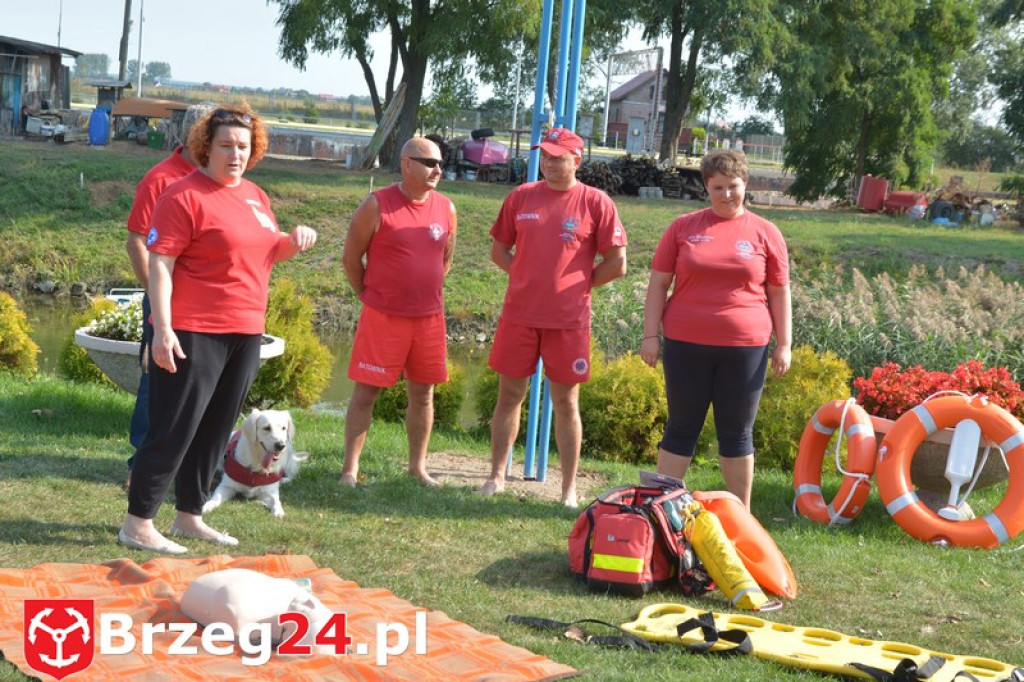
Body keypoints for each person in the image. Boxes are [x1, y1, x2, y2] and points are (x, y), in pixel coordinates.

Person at [117, 105, 317, 553]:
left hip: (244, 331)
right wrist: (162, 328)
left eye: (243, 146)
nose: (235, 154)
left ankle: (189, 515)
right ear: (206, 146)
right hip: (193, 329)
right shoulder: (183, 195)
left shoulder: (255, 197)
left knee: (215, 428)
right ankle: (137, 522)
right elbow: (161, 265)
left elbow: (265, 252)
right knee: (173, 427)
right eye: (226, 145)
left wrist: (293, 241)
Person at [477, 128, 627, 507]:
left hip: (569, 320)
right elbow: (498, 251)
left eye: (558, 157)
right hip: (520, 316)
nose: (550, 163)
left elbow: (617, 263)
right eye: (545, 156)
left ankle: (568, 490)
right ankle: (496, 476)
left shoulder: (596, 202)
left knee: (566, 403)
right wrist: (527, 279)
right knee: (509, 396)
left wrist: (576, 285)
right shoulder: (521, 197)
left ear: (577, 161)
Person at [640, 149, 791, 510]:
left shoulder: (766, 233)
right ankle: (664, 511)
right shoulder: (682, 227)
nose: (726, 194)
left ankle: (742, 517)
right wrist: (650, 336)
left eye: (733, 186)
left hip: (746, 348)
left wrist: (784, 344)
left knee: (737, 434)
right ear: (706, 187)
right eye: (718, 187)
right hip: (685, 344)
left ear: (745, 185)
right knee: (681, 427)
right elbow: (658, 284)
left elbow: (778, 291)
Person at [338, 137, 457, 488]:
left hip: (429, 318)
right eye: (429, 162)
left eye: (440, 163)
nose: (438, 169)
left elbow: (445, 258)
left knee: (423, 395)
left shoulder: (447, 208)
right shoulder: (377, 205)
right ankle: (349, 470)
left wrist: (423, 287)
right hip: (383, 317)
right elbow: (351, 258)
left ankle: (417, 468)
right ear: (406, 164)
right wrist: (369, 295)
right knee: (366, 393)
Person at [124, 143, 198, 478]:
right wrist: (156, 297)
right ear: (200, 139)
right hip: (165, 301)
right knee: (154, 378)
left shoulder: (219, 180)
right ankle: (142, 463)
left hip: (206, 305)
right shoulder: (160, 178)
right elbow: (136, 241)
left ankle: (190, 464)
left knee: (197, 382)